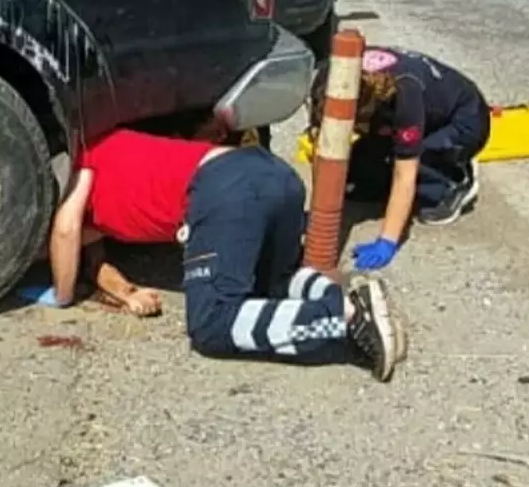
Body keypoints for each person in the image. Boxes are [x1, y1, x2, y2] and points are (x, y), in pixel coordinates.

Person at [40, 125, 403, 381]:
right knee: (273, 284)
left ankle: (343, 319)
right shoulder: (108, 147)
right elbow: (89, 247)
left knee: (213, 323)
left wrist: (62, 296)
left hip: (225, 189)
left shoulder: (81, 160)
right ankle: (350, 300)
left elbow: (66, 230)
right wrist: (125, 292)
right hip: (273, 175)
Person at [308, 46, 490, 273]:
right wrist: (320, 209)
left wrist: (388, 241)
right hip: (392, 111)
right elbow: (322, 147)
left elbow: (405, 173)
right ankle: (388, 165)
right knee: (357, 181)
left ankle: (453, 181)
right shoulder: (327, 81)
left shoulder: (405, 93)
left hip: (464, 120)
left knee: (415, 166)